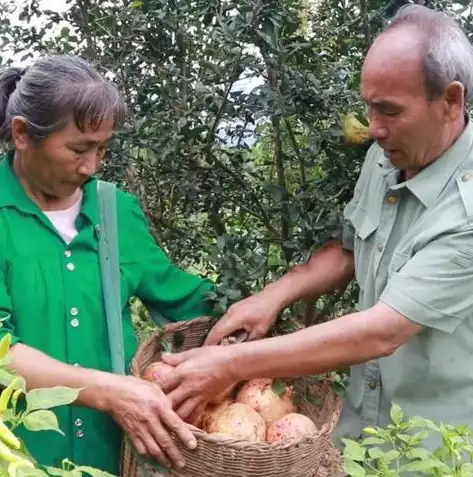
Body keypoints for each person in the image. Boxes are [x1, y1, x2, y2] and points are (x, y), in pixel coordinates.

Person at [160, 3, 473, 454]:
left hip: (436, 453)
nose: (374, 129)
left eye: (389, 111)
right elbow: (349, 250)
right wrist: (275, 295)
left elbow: (382, 331)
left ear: (451, 100)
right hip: (362, 438)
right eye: (368, 108)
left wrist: (228, 364)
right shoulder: (389, 157)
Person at [0, 55, 216, 474]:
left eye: (102, 148)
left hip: (112, 459)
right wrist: (106, 391)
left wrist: (257, 318)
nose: (92, 166)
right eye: (79, 149)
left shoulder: (113, 210)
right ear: (23, 133)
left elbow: (181, 296)